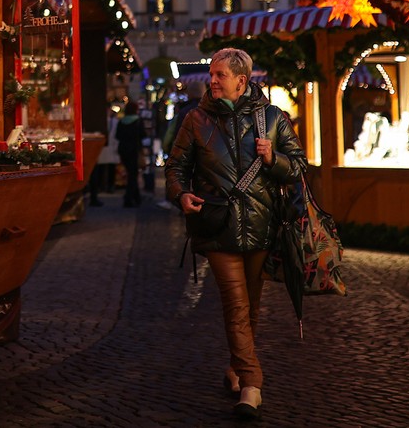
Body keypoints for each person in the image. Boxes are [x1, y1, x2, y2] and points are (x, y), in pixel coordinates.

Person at [165, 48, 305, 420]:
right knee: (236, 304)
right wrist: (181, 194)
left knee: (251, 306)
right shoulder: (195, 119)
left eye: (220, 75)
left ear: (241, 81)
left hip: (261, 226)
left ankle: (236, 369)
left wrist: (273, 158)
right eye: (211, 74)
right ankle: (252, 384)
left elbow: (299, 166)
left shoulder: (272, 118)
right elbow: (175, 167)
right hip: (218, 227)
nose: (211, 80)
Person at [116, 104, 144, 206]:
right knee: (133, 174)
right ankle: (128, 198)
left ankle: (137, 198)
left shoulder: (121, 121)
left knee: (131, 173)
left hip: (123, 149)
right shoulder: (138, 121)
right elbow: (143, 134)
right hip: (134, 150)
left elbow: (117, 135)